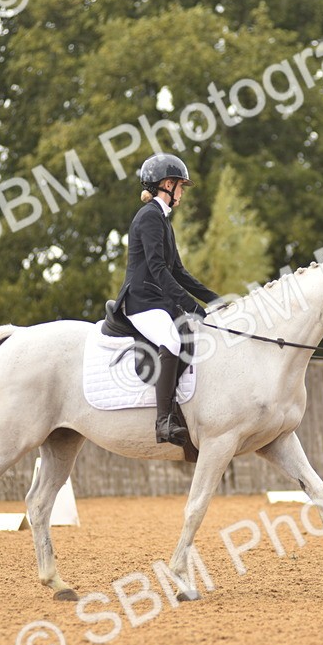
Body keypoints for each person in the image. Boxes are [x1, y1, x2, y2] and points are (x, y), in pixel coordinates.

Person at [112, 153, 220, 446]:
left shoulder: (162, 219)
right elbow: (158, 269)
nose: (182, 192)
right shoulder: (149, 217)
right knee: (171, 341)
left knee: (187, 334)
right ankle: (164, 421)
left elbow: (179, 272)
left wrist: (215, 300)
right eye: (180, 186)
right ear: (167, 185)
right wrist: (193, 307)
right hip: (141, 301)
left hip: (156, 301)